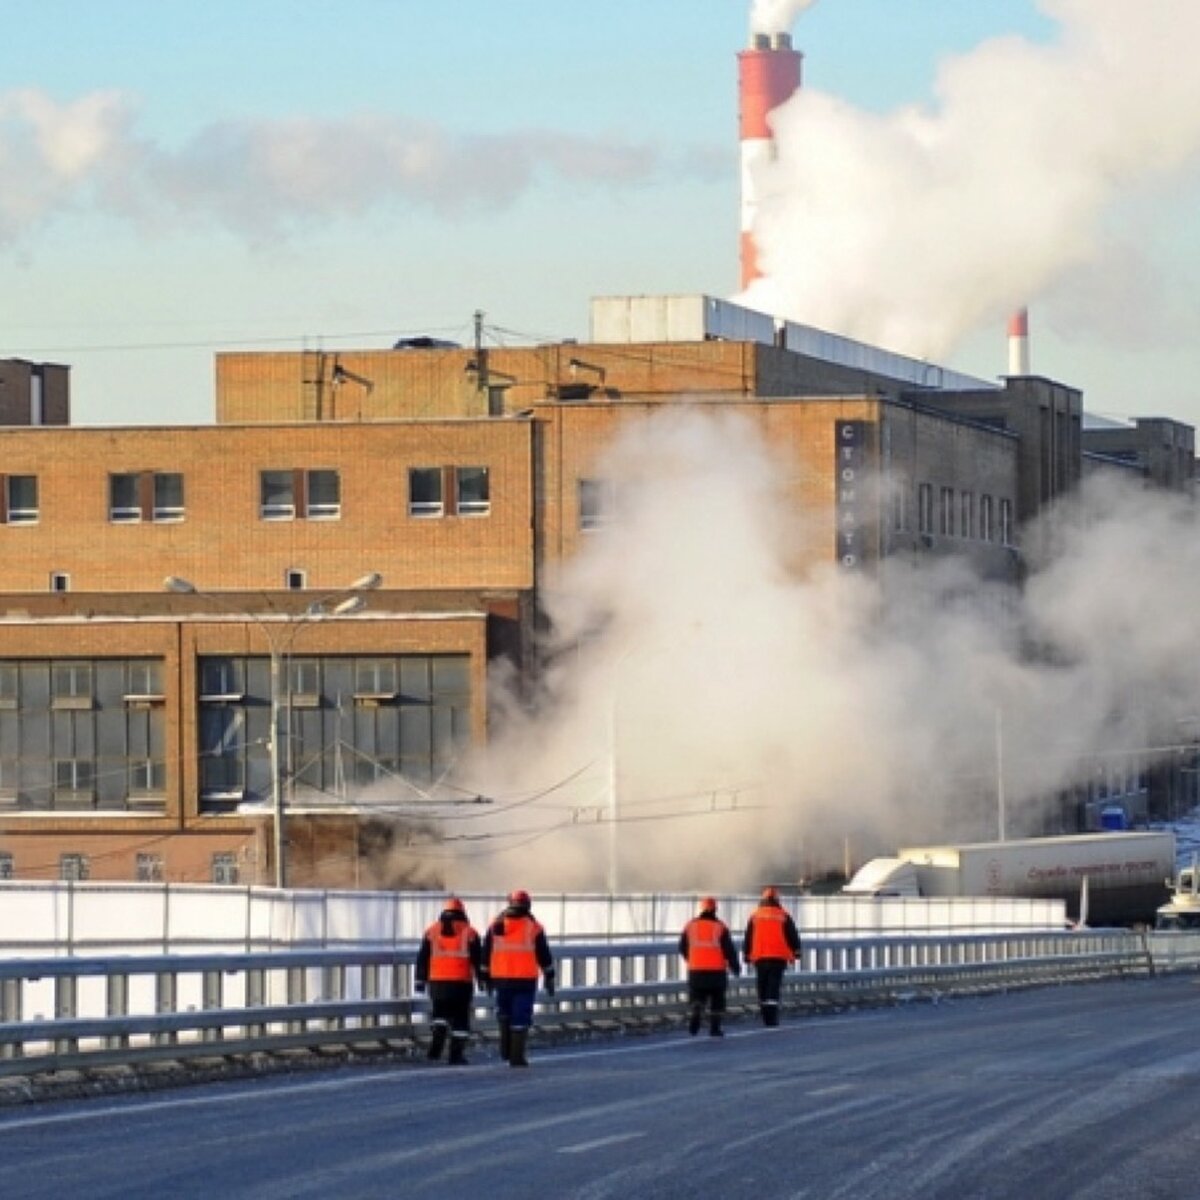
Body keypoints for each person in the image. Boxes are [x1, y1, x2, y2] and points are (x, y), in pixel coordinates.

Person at [482, 889, 555, 1067]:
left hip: (501, 978)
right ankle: (516, 1056)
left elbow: (486, 952)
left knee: (504, 1012)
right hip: (525, 979)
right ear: (528, 904)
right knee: (521, 1016)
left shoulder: (496, 925)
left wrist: (485, 975)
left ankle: (505, 1049)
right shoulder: (534, 927)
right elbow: (544, 955)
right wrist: (549, 976)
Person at [414, 896, 485, 1065]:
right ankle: (455, 1055)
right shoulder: (470, 932)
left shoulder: (431, 931)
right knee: (460, 1019)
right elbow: (478, 959)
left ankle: (435, 1051)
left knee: (440, 1015)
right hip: (461, 983)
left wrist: (420, 980)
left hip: (437, 982)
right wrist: (482, 979)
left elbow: (422, 957)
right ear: (462, 912)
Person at [679, 896, 740, 1038]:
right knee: (717, 999)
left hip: (696, 969)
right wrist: (735, 967)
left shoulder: (690, 926)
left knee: (697, 994)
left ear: (701, 908)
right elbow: (729, 950)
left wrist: (691, 958)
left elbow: (682, 946)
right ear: (715, 909)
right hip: (716, 970)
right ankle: (715, 1028)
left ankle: (696, 1008)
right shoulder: (720, 927)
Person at [743, 885, 801, 1027]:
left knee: (762, 986)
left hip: (760, 957)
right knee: (773, 987)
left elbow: (748, 936)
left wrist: (746, 953)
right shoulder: (783, 915)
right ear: (777, 899)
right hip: (778, 957)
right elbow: (792, 935)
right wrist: (797, 951)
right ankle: (772, 1018)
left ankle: (764, 1015)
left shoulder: (755, 915)